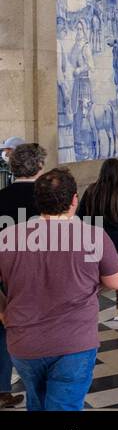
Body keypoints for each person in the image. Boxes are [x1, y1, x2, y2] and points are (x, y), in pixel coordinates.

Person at [0, 169, 118, 411]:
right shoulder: (93, 236)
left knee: (37, 403)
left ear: (37, 200)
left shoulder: (7, 237)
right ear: (74, 199)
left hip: (24, 341)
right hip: (74, 342)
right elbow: (117, 282)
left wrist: (4, 311)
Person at [0, 142, 42, 409]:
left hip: (4, 275)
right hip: (38, 276)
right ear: (39, 166)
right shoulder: (47, 198)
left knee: (1, 332)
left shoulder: (0, 198)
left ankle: (3, 388)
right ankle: (38, 388)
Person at [76, 158, 118, 321]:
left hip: (95, 241)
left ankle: (92, 310)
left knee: (94, 277)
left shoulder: (91, 191)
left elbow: (80, 216)